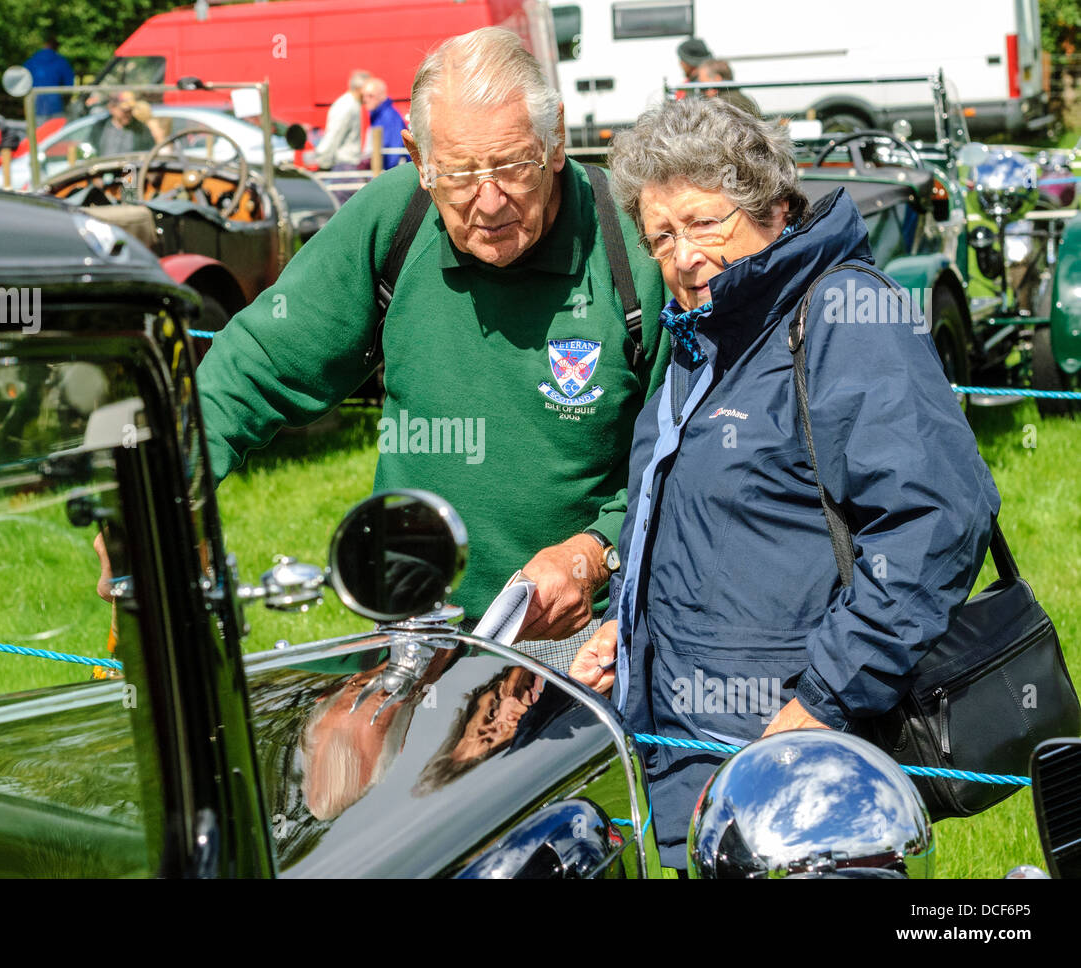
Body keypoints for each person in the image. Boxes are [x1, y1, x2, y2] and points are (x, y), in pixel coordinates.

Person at [568, 96, 999, 871]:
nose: (683, 256)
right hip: (705, 764)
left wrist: (822, 703)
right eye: (662, 236)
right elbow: (696, 522)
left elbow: (936, 521)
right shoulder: (705, 338)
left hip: (804, 776)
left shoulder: (840, 313)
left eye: (705, 223)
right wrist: (628, 631)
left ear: (772, 208)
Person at [194, 27, 670, 657]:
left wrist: (596, 551)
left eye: (512, 166)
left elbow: (685, 455)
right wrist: (174, 489)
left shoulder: (635, 247)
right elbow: (252, 364)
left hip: (584, 643)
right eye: (460, 173)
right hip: (413, 628)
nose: (490, 201)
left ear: (555, 141)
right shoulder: (392, 220)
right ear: (418, 158)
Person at [315, 69, 370, 170]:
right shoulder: (346, 106)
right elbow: (334, 134)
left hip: (348, 163)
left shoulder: (353, 104)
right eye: (368, 90)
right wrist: (323, 164)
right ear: (360, 89)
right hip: (343, 164)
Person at [23, 34, 76, 123]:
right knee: (55, 131)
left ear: (45, 44)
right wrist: (67, 99)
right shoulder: (61, 61)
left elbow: (22, 80)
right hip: (55, 102)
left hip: (35, 101)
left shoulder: (32, 60)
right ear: (56, 48)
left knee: (38, 131)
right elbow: (69, 84)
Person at [360, 77, 409, 170]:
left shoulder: (390, 116)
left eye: (370, 96)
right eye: (363, 96)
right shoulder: (376, 115)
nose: (365, 99)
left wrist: (387, 174)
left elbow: (394, 151)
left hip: (391, 171)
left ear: (382, 96)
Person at [88, 92, 155, 157]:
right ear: (112, 108)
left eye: (130, 110)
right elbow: (90, 150)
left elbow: (149, 153)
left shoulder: (141, 130)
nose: (128, 114)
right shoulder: (100, 127)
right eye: (125, 111)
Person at [696, 59, 761, 118]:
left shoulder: (719, 105)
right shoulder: (744, 99)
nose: (701, 92)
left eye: (703, 87)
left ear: (716, 80)